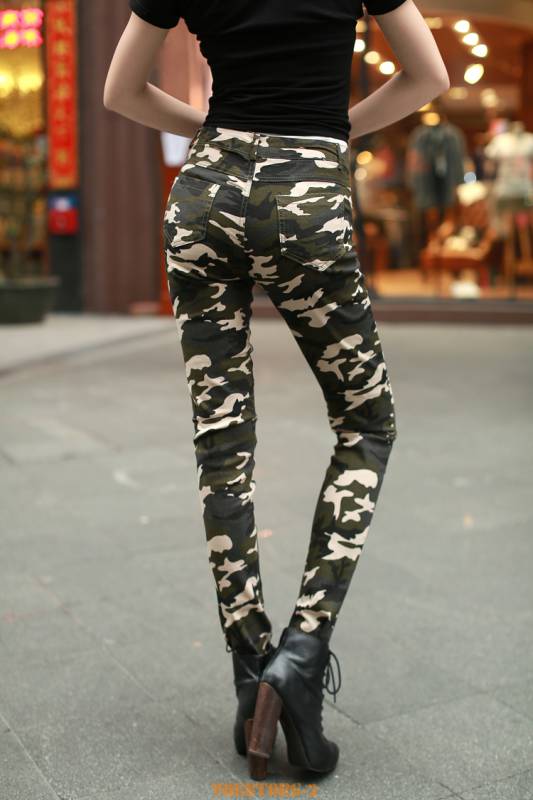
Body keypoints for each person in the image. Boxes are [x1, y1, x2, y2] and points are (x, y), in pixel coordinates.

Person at [104, 0, 449, 779]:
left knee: (220, 441)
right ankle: (300, 653)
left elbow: (120, 92)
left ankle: (248, 672)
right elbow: (426, 75)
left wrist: (209, 129)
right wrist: (336, 128)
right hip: (306, 197)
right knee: (366, 424)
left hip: (203, 196)